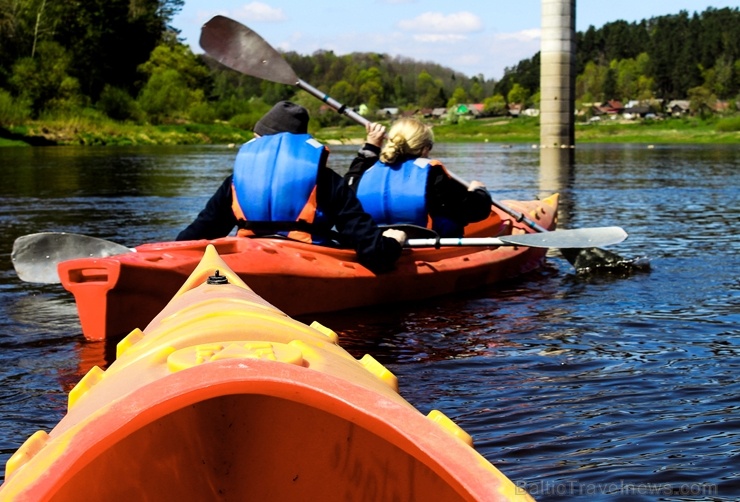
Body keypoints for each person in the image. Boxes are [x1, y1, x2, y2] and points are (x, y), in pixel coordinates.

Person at [176, 101, 406, 273]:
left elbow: (192, 239)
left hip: (248, 263)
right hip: (308, 265)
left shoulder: (236, 182)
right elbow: (374, 253)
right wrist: (394, 242)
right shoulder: (326, 180)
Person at [345, 117, 493, 237]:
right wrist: (478, 192)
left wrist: (371, 147)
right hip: (424, 248)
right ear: (424, 149)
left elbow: (348, 186)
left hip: (374, 243)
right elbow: (474, 211)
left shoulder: (366, 172)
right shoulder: (431, 174)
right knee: (448, 218)